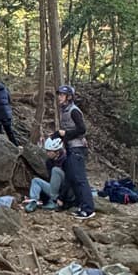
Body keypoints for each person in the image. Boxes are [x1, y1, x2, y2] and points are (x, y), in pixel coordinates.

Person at [54, 84, 95, 219]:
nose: (59, 97)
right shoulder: (64, 110)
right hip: (71, 148)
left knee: (80, 179)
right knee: (71, 177)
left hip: (77, 148)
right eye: (59, 94)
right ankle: (79, 205)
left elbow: (82, 129)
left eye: (62, 95)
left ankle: (88, 209)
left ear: (69, 97)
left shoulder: (73, 111)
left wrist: (65, 133)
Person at [23, 137, 67, 212]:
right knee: (36, 180)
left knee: (55, 170)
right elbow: (50, 179)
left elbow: (69, 181)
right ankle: (33, 201)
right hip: (54, 189)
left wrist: (61, 197)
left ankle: (54, 201)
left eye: (49, 151)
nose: (47, 153)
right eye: (47, 151)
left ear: (57, 152)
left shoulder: (66, 160)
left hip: (64, 190)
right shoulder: (49, 162)